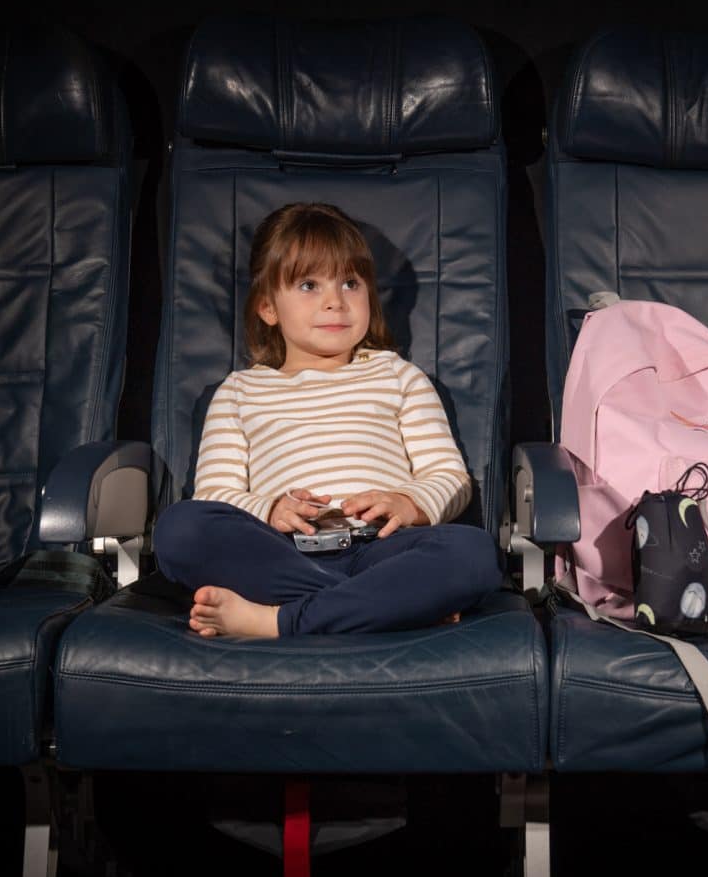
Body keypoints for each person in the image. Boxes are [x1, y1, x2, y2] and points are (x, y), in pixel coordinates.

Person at [151, 202, 500, 638]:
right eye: (309, 285)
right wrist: (271, 509)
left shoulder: (397, 375)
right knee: (180, 528)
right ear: (267, 308)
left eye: (350, 283)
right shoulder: (239, 392)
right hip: (282, 553)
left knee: (472, 552)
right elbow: (216, 494)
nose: (335, 302)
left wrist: (407, 503)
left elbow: (449, 477)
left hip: (383, 549)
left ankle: (279, 621)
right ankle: (392, 605)